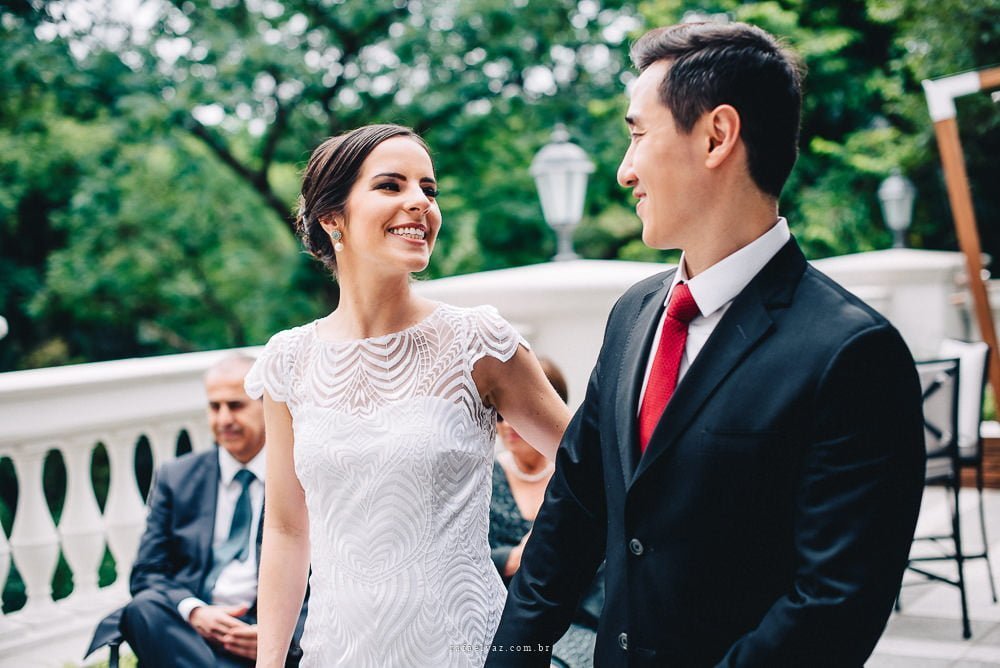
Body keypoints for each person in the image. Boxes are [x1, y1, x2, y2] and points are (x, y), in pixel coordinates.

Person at [488, 21, 925, 667]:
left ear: (717, 135)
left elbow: (833, 605)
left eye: (637, 134)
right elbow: (572, 517)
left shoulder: (853, 353)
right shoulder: (633, 315)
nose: (623, 169)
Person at [245, 124, 570, 668]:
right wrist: (270, 662)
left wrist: (542, 575)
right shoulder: (288, 361)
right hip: (337, 652)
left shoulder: (477, 341)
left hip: (465, 650)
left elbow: (592, 466)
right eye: (392, 186)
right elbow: (285, 527)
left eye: (429, 189)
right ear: (332, 218)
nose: (420, 203)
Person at [85, 354, 308, 667]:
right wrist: (195, 610)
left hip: (261, 634)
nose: (223, 419)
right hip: (190, 633)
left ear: (266, 405)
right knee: (143, 609)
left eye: (236, 405)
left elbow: (321, 579)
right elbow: (148, 572)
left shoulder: (300, 475)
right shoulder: (177, 477)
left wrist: (280, 638)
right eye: (214, 407)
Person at [489, 357, 604, 668]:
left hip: (575, 623)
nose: (507, 424)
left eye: (518, 410)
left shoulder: (577, 479)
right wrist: (509, 559)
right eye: (499, 415)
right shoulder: (482, 478)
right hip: (495, 622)